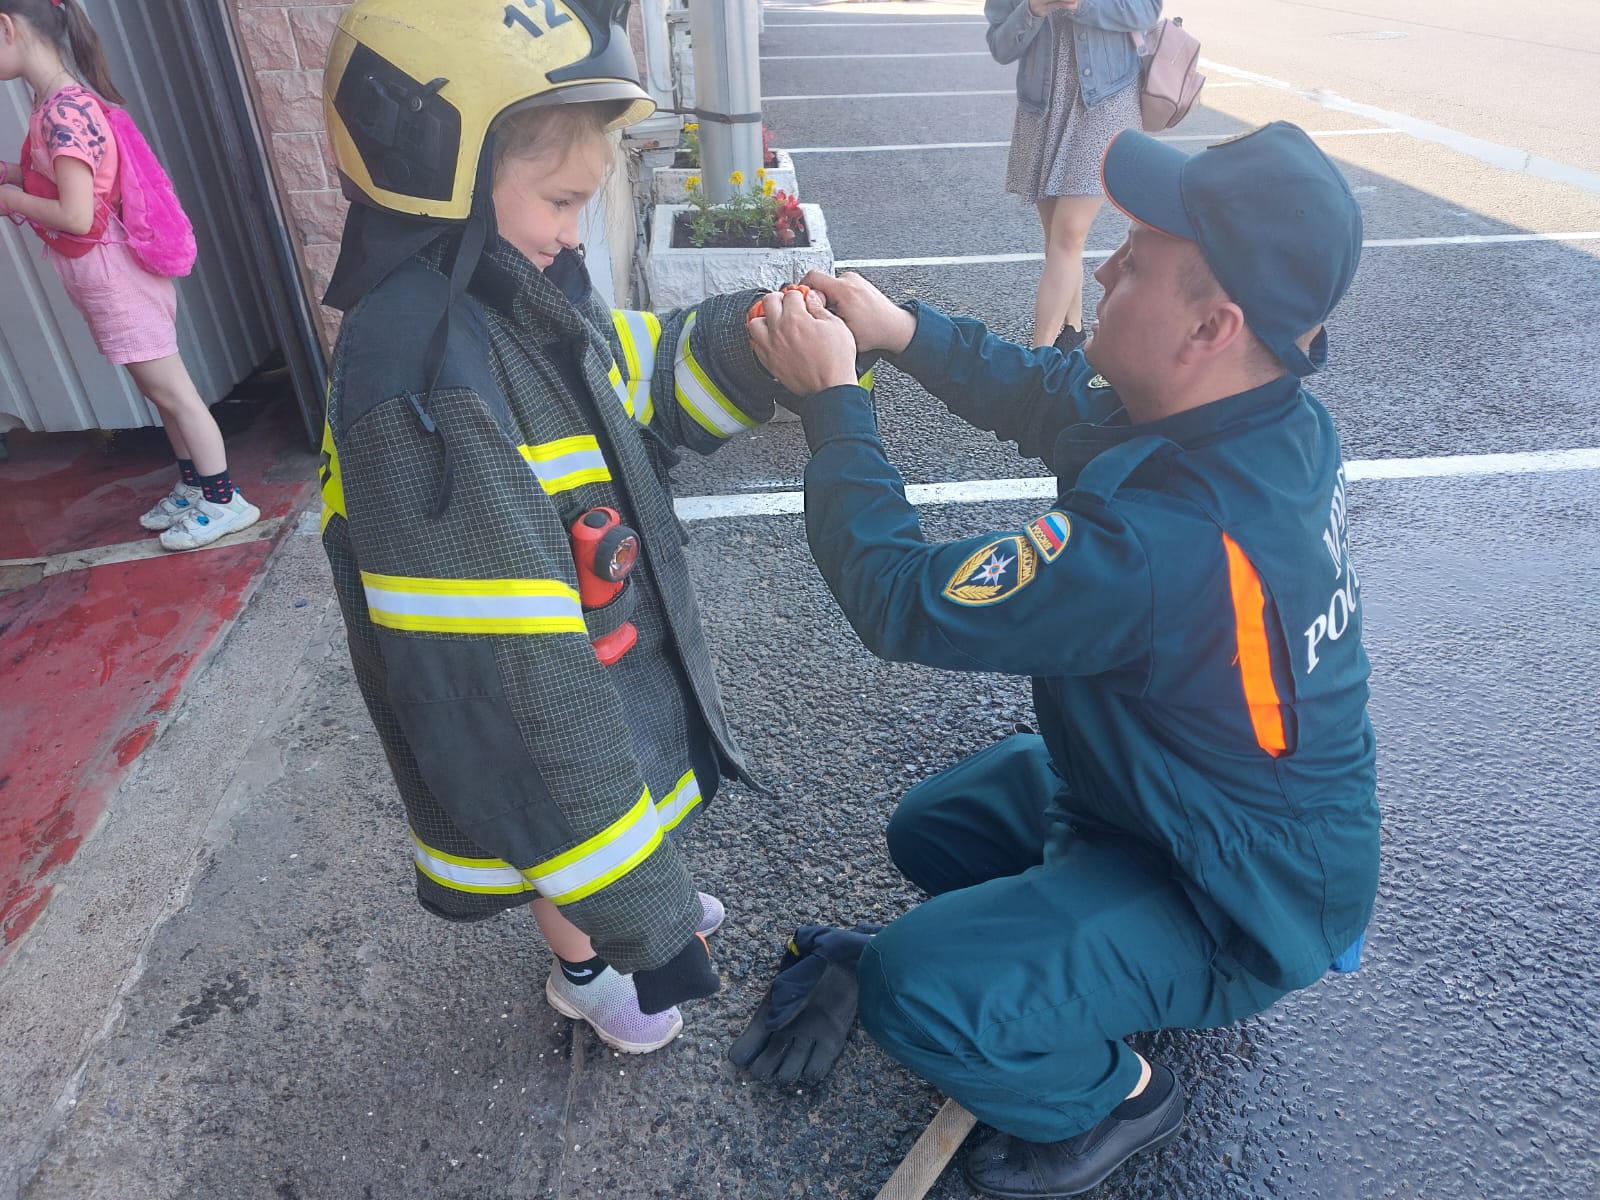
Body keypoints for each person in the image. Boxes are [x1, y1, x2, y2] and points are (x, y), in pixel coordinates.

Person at [748, 122, 1378, 1197]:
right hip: (1170, 810)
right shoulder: (1253, 419)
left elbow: (900, 602)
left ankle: (1116, 1097)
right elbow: (1054, 397)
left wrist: (833, 403)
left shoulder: (1165, 550)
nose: (1103, 266)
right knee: (936, 829)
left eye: (1134, 262)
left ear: (1211, 327)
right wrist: (901, 332)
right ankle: (1059, 964)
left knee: (911, 987)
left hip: (1235, 895)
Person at [318, 0, 820, 1055]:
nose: (570, 232)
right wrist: (645, 927)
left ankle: (637, 894)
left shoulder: (508, 287)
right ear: (435, 162)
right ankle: (588, 971)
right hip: (542, 704)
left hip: (596, 649)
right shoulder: (422, 387)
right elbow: (512, 699)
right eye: (558, 200)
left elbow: (621, 378)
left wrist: (757, 343)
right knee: (560, 831)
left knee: (610, 786)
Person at [0, 0, 258, 551]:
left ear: (6, 28)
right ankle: (194, 488)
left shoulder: (64, 112)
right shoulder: (54, 103)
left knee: (175, 391)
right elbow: (69, 185)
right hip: (105, 273)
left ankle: (224, 500)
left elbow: (76, 214)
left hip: (116, 274)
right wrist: (16, 175)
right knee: (157, 391)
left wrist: (10, 196)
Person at [986, 0, 1160, 351]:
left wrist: (1082, 5)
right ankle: (1072, 334)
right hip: (1043, 107)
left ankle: (1040, 357)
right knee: (1057, 239)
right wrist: (1034, 9)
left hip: (1106, 102)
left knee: (1068, 235)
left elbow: (1146, 11)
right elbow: (1002, 45)